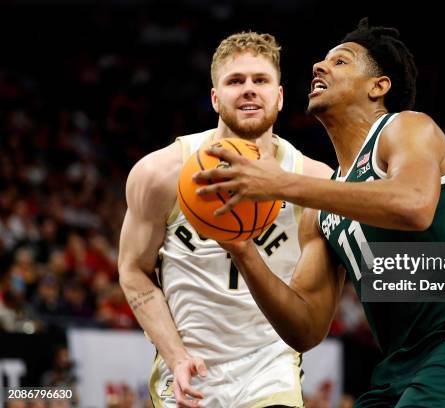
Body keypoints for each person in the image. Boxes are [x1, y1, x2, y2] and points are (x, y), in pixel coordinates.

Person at [194, 19, 445, 407]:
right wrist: (243, 251)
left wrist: (279, 183)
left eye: (340, 62)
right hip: (400, 367)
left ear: (379, 86)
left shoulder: (405, 129)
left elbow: (412, 205)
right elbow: (305, 328)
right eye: (321, 62)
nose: (318, 68)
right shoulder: (319, 209)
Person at [117, 31, 331, 408]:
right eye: (235, 81)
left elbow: (312, 310)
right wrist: (175, 356)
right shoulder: (161, 173)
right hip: (187, 371)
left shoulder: (313, 183)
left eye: (260, 80)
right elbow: (133, 270)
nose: (249, 90)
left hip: (270, 368)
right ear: (216, 98)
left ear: (279, 98)